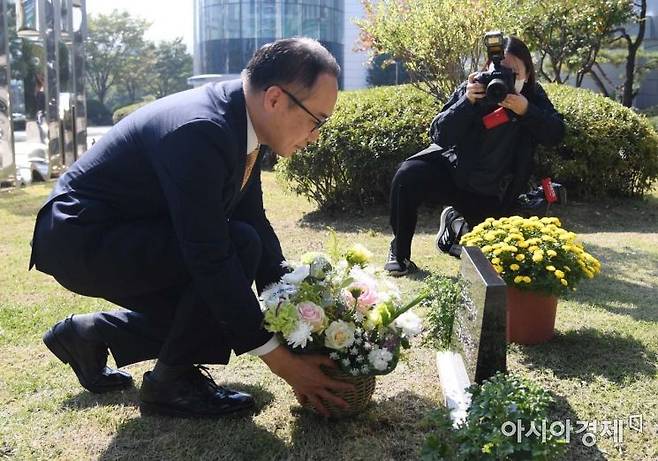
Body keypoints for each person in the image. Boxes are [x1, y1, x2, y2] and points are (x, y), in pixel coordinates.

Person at [30, 38, 354, 418]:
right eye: (317, 120)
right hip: (83, 238)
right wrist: (283, 362)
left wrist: (295, 297)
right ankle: (169, 386)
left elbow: (252, 218)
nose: (316, 135)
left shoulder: (241, 120)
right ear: (275, 99)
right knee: (228, 271)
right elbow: (210, 256)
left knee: (225, 284)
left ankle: (90, 335)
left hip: (125, 229)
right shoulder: (202, 129)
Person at [384, 35, 565, 276]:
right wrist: (467, 102)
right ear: (488, 67)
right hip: (455, 176)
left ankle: (456, 227)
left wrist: (526, 111)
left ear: (527, 74)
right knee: (408, 175)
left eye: (513, 73)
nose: (504, 79)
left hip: (493, 194)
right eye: (499, 70)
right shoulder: (475, 88)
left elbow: (556, 133)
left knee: (495, 263)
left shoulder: (532, 97)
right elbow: (439, 134)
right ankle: (400, 252)